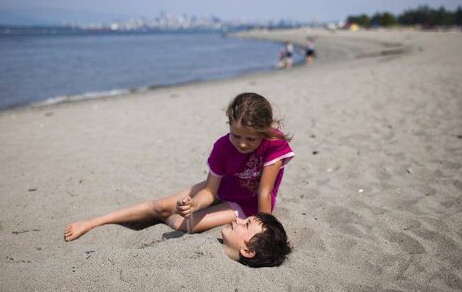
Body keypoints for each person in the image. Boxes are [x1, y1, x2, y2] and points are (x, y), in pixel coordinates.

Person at [64, 92, 294, 267]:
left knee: (180, 223)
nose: (243, 143)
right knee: (160, 205)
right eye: (237, 135)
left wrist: (266, 231)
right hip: (225, 187)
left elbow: (265, 192)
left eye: (251, 139)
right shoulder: (222, 147)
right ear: (229, 125)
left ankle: (161, 219)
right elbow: (210, 191)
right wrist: (194, 204)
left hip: (247, 207)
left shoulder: (274, 143)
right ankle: (95, 222)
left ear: (264, 131)